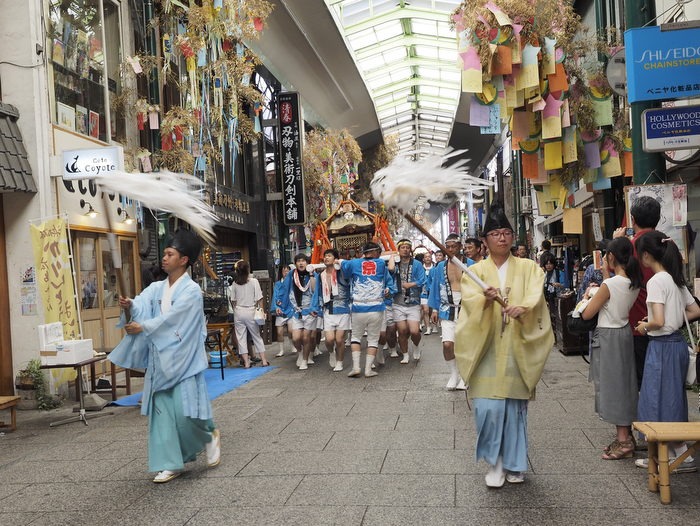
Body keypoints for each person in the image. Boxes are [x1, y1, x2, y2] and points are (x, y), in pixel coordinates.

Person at [109, 229, 220, 483]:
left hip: (184, 361)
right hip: (161, 361)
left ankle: (208, 433)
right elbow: (141, 303)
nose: (165, 258)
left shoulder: (191, 291)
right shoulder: (157, 287)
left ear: (184, 260)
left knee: (184, 413)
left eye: (170, 254)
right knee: (163, 417)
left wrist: (144, 327)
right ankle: (171, 463)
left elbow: (174, 319)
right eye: (165, 253)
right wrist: (130, 306)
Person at [455, 201, 553, 488]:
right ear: (485, 241)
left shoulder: (529, 268)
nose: (502, 237)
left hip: (516, 345)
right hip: (485, 346)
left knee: (513, 408)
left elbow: (536, 294)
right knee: (487, 408)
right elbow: (468, 304)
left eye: (506, 232)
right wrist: (483, 299)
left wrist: (523, 307)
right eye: (495, 233)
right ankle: (495, 463)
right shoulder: (475, 271)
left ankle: (514, 463)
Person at [633, 231, 700, 472]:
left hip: (662, 347)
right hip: (677, 345)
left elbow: (658, 321)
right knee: (671, 398)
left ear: (646, 255)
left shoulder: (655, 281)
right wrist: (670, 320)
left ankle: (677, 454)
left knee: (658, 398)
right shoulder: (674, 279)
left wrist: (645, 324)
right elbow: (694, 310)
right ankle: (673, 454)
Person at [580, 237, 642, 460]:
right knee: (624, 384)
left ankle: (624, 440)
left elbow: (588, 313)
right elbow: (613, 291)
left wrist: (588, 296)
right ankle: (625, 436)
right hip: (623, 332)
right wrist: (607, 274)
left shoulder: (610, 285)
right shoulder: (632, 281)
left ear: (611, 257)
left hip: (608, 336)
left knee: (613, 388)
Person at [613, 196, 661, 390]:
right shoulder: (668, 244)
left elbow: (616, 282)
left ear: (632, 219)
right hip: (665, 324)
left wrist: (616, 244)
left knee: (639, 382)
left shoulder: (630, 247)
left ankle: (645, 419)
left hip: (637, 323)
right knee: (661, 382)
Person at [340, 241, 395, 377]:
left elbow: (345, 271)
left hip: (359, 307)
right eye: (379, 251)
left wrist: (340, 261)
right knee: (372, 339)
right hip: (376, 307)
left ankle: (356, 367)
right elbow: (391, 273)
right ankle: (368, 369)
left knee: (356, 337)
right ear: (375, 251)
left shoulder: (353, 263)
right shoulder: (381, 264)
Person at [429, 233, 472, 390]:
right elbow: (434, 288)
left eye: (454, 246)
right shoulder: (440, 267)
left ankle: (465, 376)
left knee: (464, 345)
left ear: (460, 247)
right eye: (448, 246)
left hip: (467, 310)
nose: (451, 249)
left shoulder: (472, 265)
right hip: (447, 309)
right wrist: (434, 309)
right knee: (448, 344)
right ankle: (454, 374)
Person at [277, 254, 319, 371]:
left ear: (307, 263)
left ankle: (305, 360)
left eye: (303, 261)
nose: (301, 263)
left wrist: (311, 274)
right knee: (296, 338)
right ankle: (300, 353)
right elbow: (284, 288)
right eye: (298, 261)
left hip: (309, 311)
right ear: (295, 263)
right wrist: (280, 303)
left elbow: (315, 290)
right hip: (296, 311)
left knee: (306, 337)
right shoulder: (292, 274)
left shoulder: (314, 274)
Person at [313, 248, 351, 372]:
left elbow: (351, 282)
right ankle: (331, 353)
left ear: (335, 259)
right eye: (325, 256)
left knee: (340, 339)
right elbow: (317, 293)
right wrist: (315, 307)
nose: (326, 258)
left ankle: (340, 362)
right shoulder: (321, 275)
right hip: (328, 310)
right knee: (329, 340)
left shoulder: (342, 272)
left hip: (343, 309)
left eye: (329, 256)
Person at [392, 239, 427, 364]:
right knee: (401, 330)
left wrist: (411, 284)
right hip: (397, 301)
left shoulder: (416, 264)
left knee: (414, 331)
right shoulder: (394, 263)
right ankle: (405, 354)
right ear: (399, 250)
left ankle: (416, 346)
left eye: (407, 247)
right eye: (403, 247)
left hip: (413, 302)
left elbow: (423, 280)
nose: (405, 249)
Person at [229, 260, 268, 368]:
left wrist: (236, 310)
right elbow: (259, 298)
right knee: (256, 336)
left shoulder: (235, 283)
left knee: (241, 338)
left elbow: (233, 300)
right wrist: (262, 311)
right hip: (251, 310)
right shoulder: (253, 281)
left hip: (239, 311)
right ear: (247, 270)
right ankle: (264, 360)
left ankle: (246, 362)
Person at [271, 266, 292, 357]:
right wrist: (276, 307)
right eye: (284, 271)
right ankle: (281, 350)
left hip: (290, 309)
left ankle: (293, 346)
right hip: (280, 308)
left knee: (291, 331)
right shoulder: (277, 284)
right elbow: (275, 296)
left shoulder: (292, 283)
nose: (286, 273)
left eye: (288, 271)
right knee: (279, 332)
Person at [421, 251, 436, 335]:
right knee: (425, 310)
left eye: (429, 257)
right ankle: (428, 328)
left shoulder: (435, 269)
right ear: (423, 259)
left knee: (431, 310)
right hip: (423, 292)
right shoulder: (420, 268)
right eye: (426, 257)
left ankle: (434, 325)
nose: (427, 258)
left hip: (433, 292)